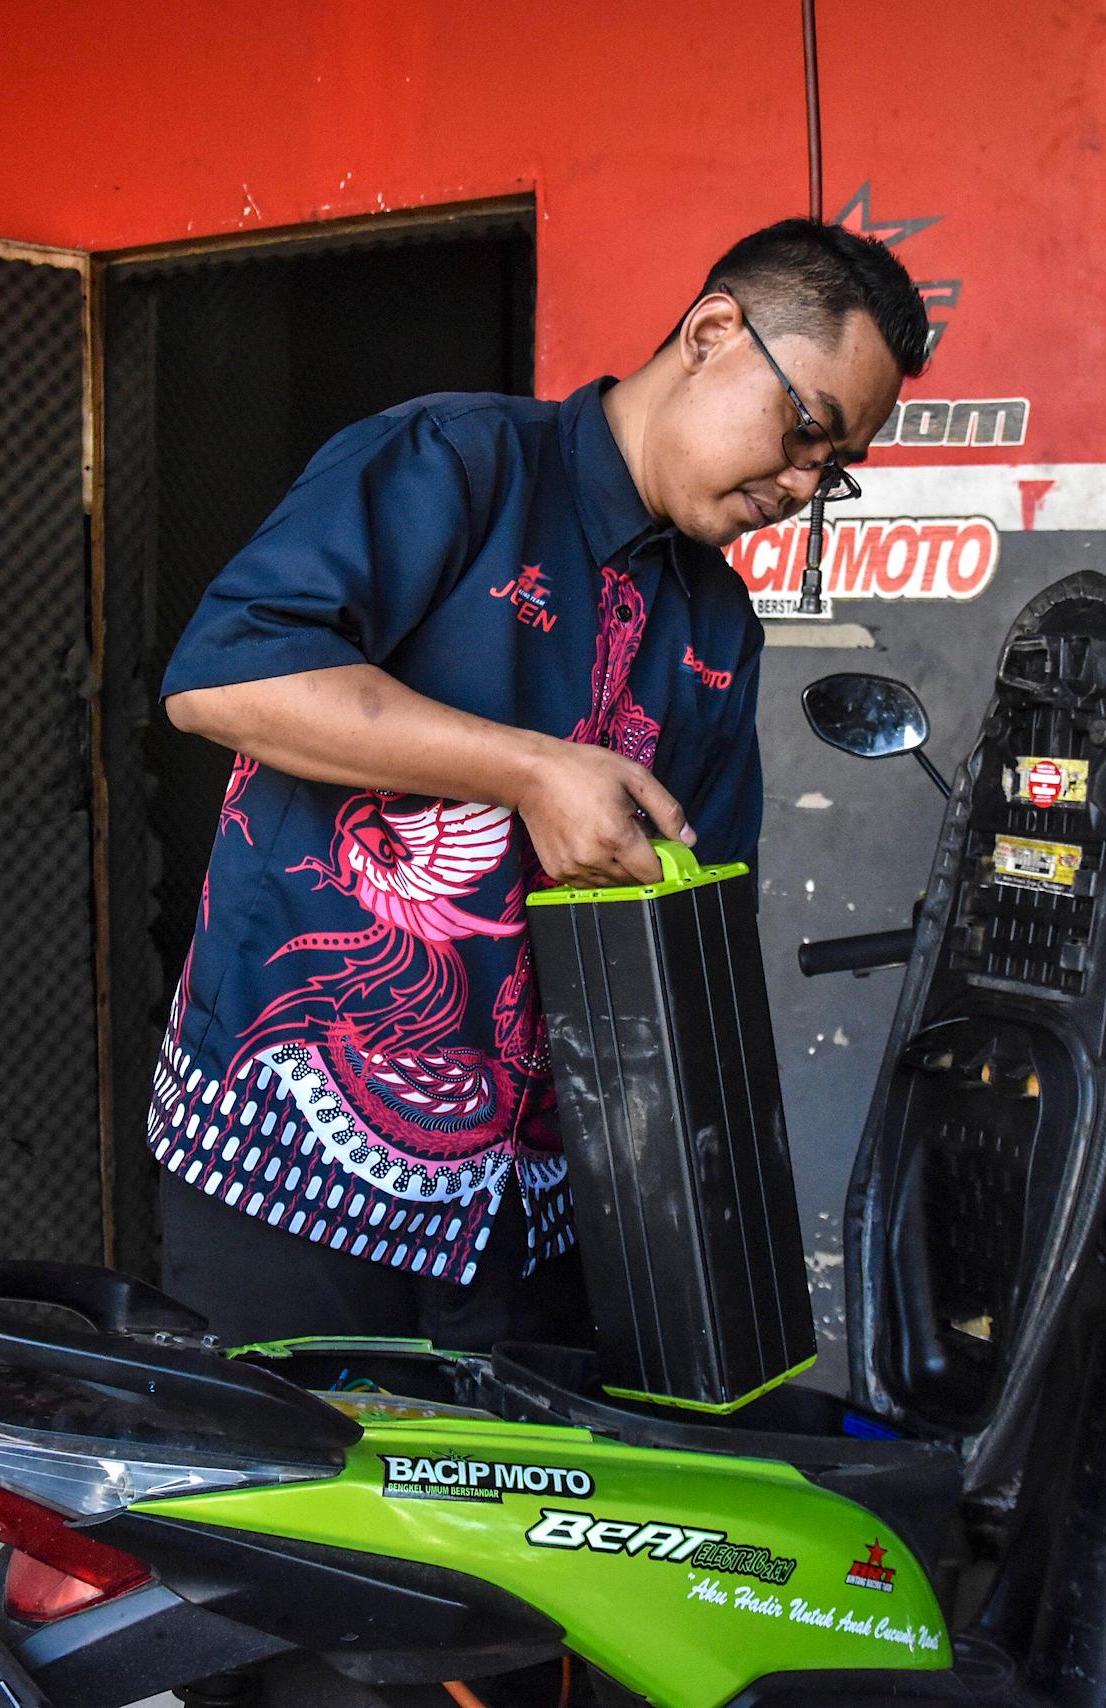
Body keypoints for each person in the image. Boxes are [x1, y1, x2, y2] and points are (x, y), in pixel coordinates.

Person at [148, 218, 928, 1350]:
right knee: (285, 1514)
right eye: (802, 427)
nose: (804, 482)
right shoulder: (454, 462)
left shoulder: (716, 623)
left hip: (536, 1216)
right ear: (714, 330)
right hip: (299, 1161)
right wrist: (527, 769)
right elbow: (223, 679)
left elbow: (702, 907)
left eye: (834, 466)